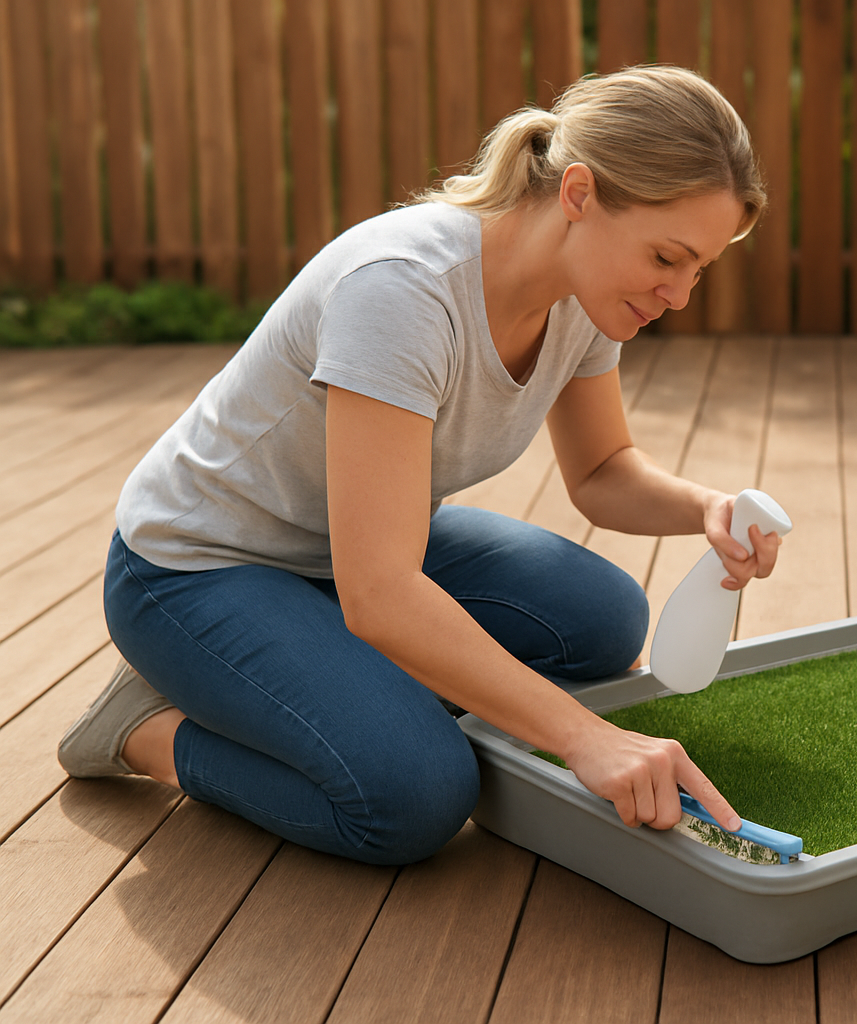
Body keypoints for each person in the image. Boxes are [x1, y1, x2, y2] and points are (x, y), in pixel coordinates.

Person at [57, 65, 778, 866]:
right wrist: (583, 737)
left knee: (603, 619)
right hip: (195, 568)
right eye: (667, 257)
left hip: (348, 554)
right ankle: (143, 725)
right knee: (415, 795)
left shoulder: (587, 293)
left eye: (700, 268)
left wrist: (704, 507)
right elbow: (380, 596)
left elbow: (603, 469)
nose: (679, 294)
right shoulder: (403, 291)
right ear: (579, 193)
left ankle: (320, 680)